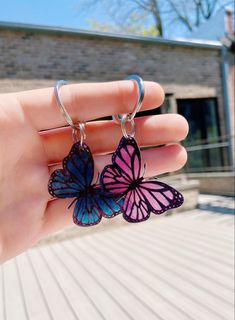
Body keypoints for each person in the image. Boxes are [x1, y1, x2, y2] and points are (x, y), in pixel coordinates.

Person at [0, 80, 188, 263]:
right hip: (101, 189)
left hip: (83, 184)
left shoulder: (107, 181)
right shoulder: (110, 184)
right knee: (110, 199)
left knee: (106, 194)